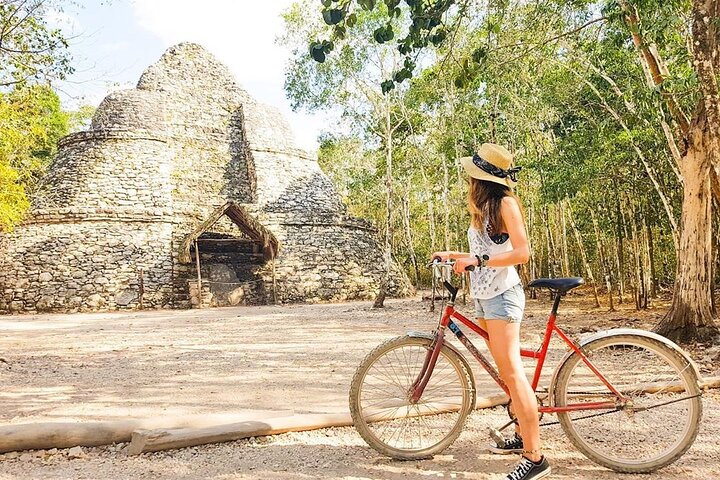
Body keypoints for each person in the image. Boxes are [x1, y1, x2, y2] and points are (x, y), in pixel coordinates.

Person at [431, 143, 551, 480]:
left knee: (513, 374)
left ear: (482, 178)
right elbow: (481, 251)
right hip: (484, 297)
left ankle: (535, 458)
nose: (469, 179)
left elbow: (522, 252)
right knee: (505, 372)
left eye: (472, 175)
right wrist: (453, 255)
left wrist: (478, 261)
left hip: (503, 296)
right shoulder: (483, 207)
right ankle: (521, 435)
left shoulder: (506, 204)